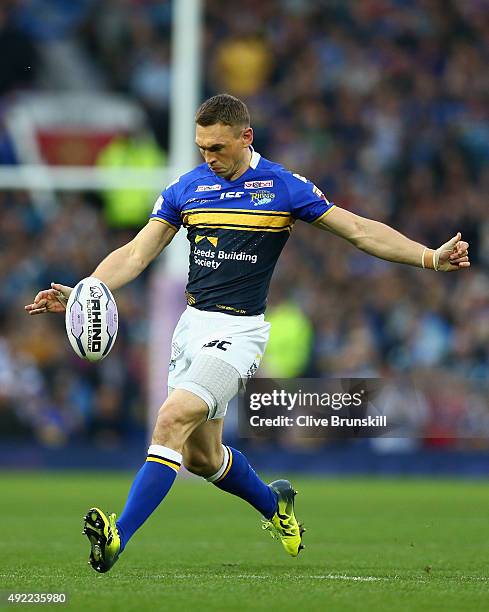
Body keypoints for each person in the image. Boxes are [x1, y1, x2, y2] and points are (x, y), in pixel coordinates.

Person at [25, 94, 470, 573]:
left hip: (239, 333)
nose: (208, 158)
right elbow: (135, 254)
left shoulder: (283, 186)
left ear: (245, 137)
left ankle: (117, 537)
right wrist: (87, 292)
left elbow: (359, 230)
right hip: (191, 329)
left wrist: (429, 257)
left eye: (217, 147)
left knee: (171, 419)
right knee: (201, 457)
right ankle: (275, 506)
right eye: (201, 148)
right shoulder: (186, 188)